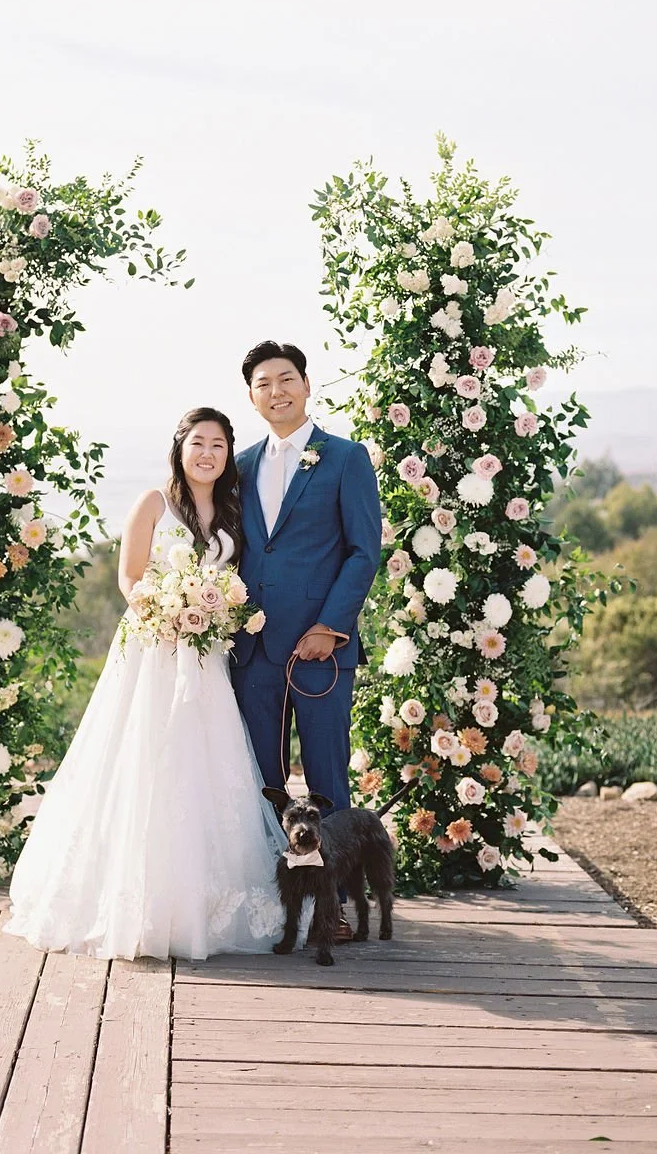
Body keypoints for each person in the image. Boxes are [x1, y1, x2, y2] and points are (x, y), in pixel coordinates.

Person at [3, 406, 285, 960]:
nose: (208, 453)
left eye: (220, 446)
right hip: (152, 649)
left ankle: (203, 903)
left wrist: (208, 613)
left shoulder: (230, 509)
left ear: (228, 456)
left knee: (204, 761)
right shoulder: (153, 503)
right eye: (199, 442)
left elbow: (232, 581)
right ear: (180, 448)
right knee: (143, 757)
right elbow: (129, 576)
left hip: (204, 656)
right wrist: (166, 609)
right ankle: (132, 901)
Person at [230, 341, 382, 941]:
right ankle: (276, 904)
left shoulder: (345, 458)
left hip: (321, 649)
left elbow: (363, 550)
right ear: (251, 396)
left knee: (327, 776)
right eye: (264, 383)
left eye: (286, 379)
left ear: (306, 385)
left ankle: (335, 907)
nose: (277, 391)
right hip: (252, 651)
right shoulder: (239, 465)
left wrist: (330, 626)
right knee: (260, 780)